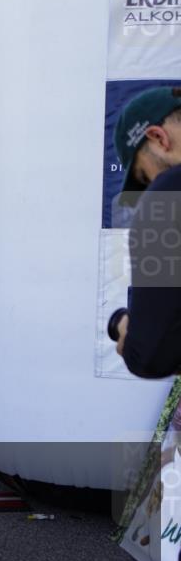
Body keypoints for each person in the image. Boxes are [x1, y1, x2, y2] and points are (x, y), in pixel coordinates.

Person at [111, 86, 181, 378]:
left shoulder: (168, 192)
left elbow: (150, 356)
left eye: (144, 176)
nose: (150, 186)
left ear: (158, 137)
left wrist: (122, 325)